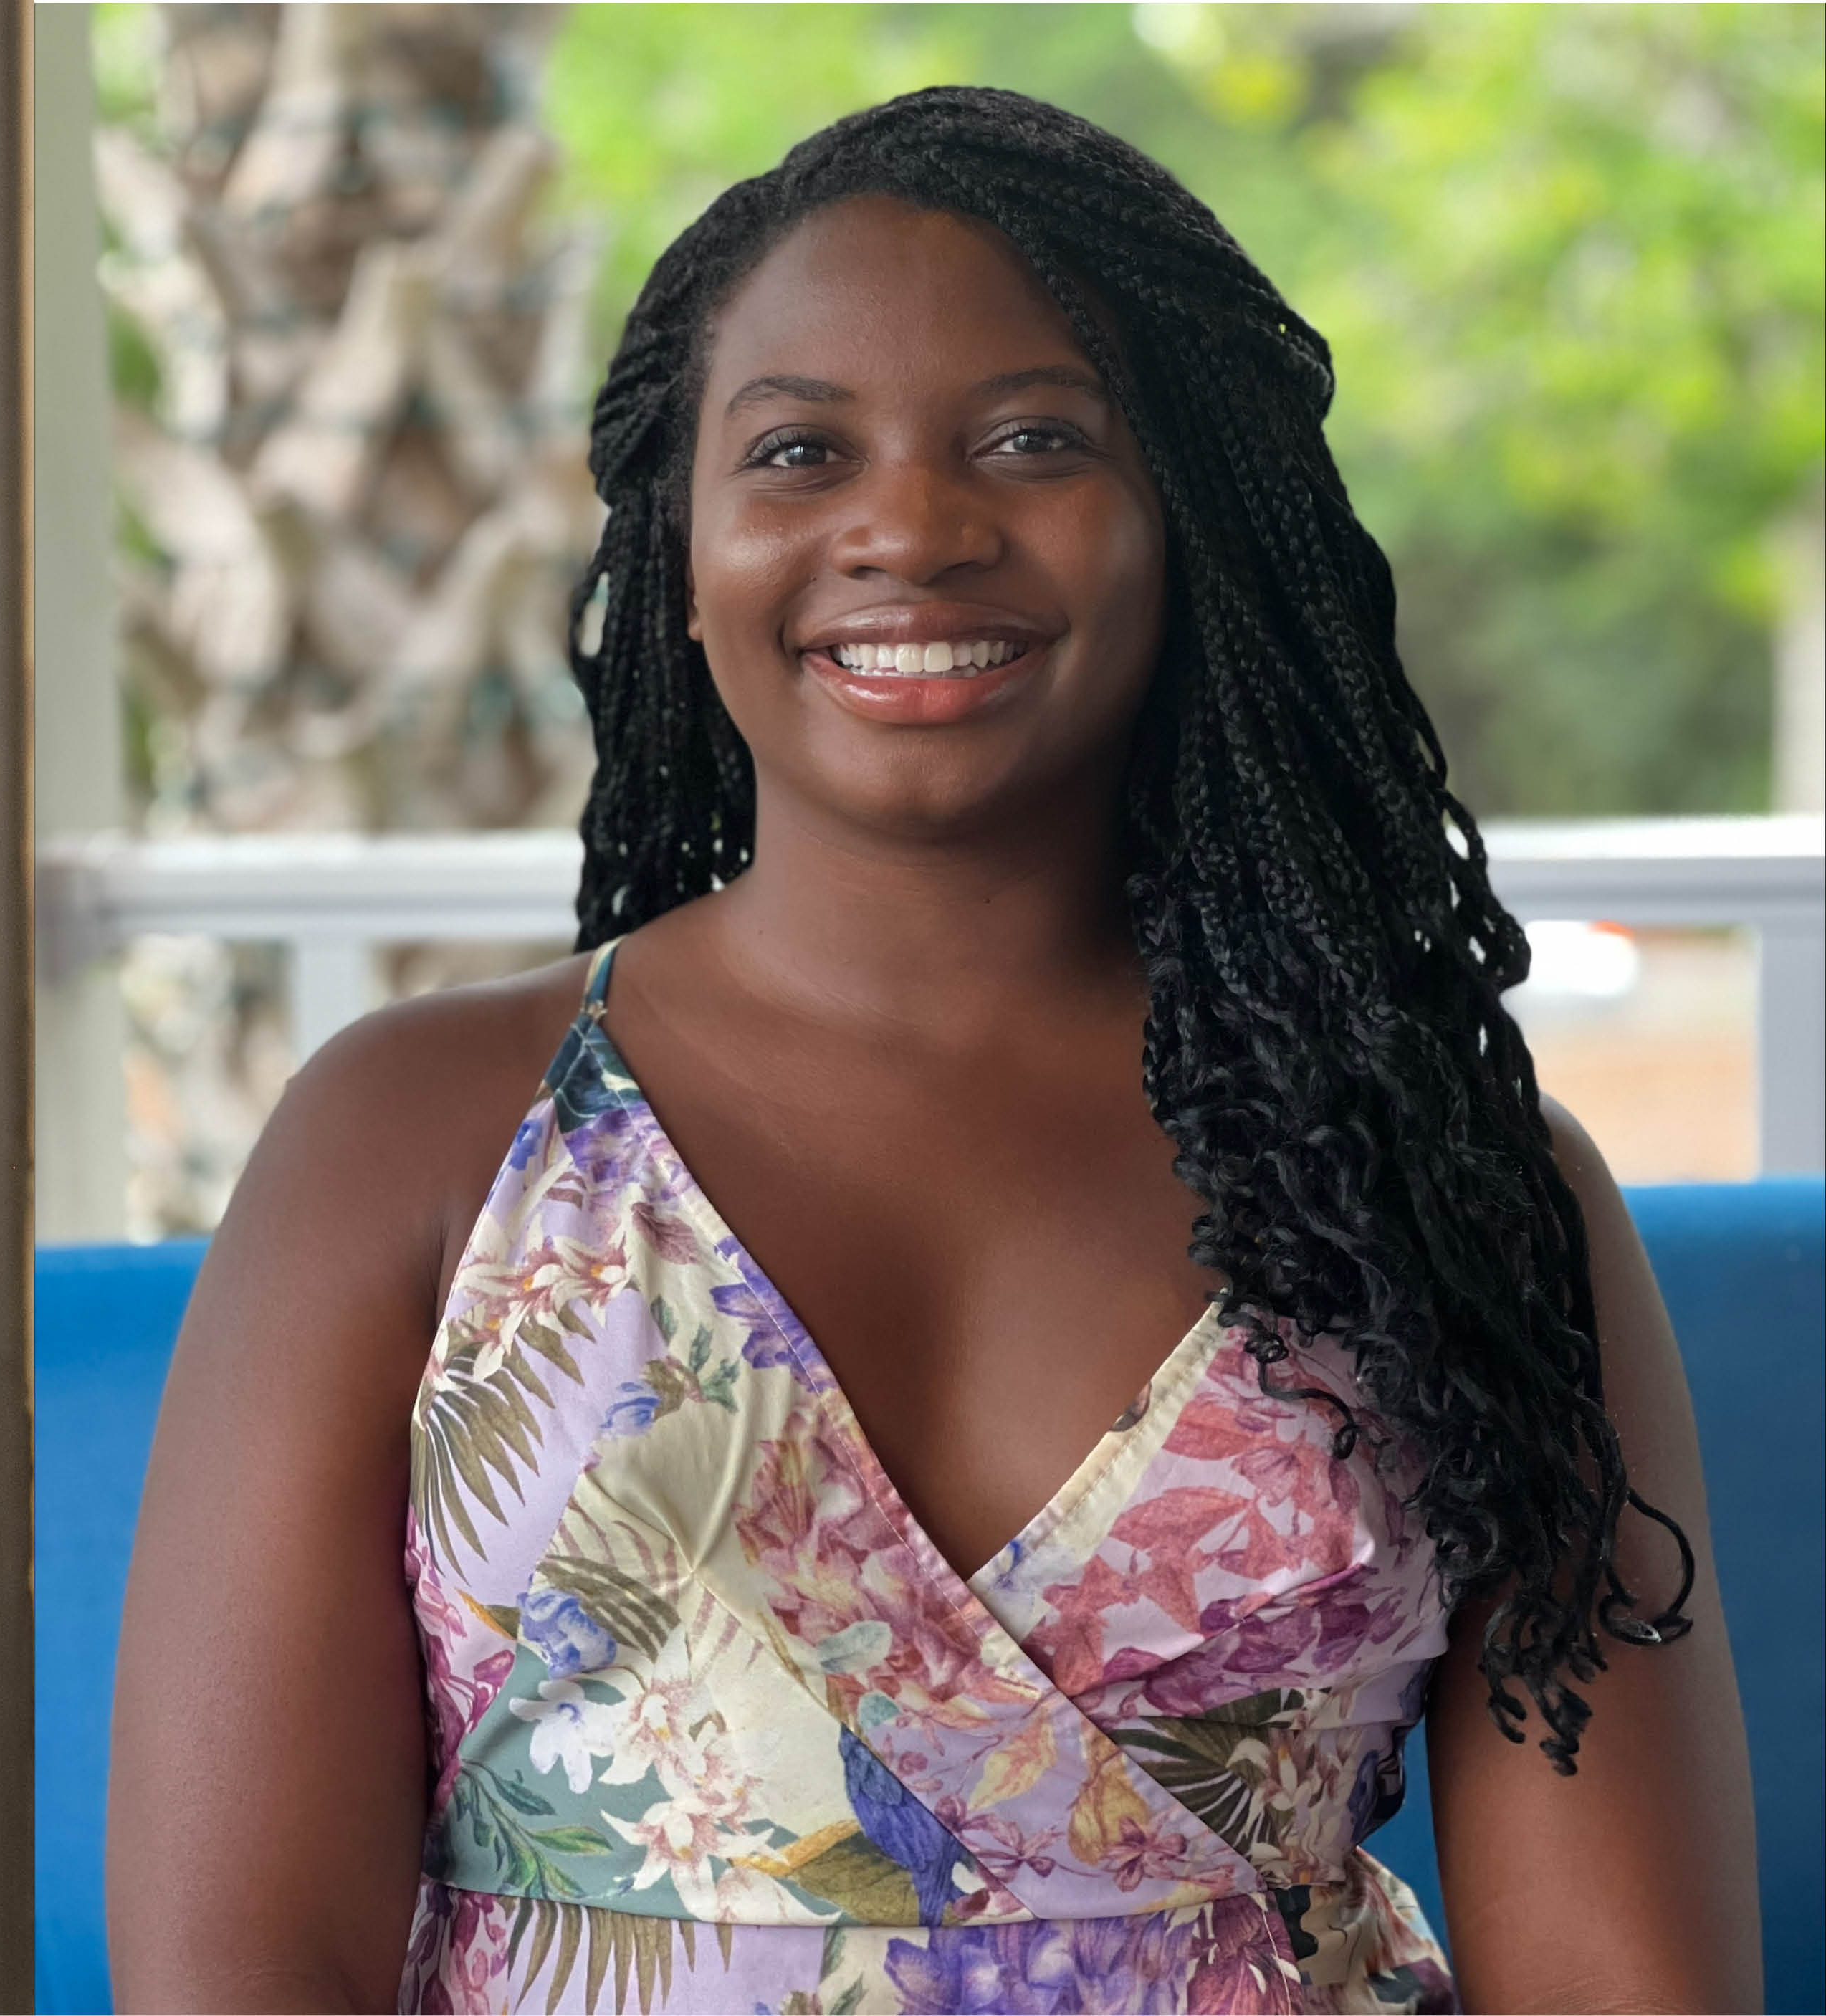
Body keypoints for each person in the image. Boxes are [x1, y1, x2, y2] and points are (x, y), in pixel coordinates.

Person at [107, 87, 1757, 2015]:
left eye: (1034, 440)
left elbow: (1622, 1986)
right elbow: (241, 1971)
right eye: (801, 450)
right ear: (684, 543)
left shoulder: (1448, 1173)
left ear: (1190, 521)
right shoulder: (410, 1140)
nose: (908, 524)